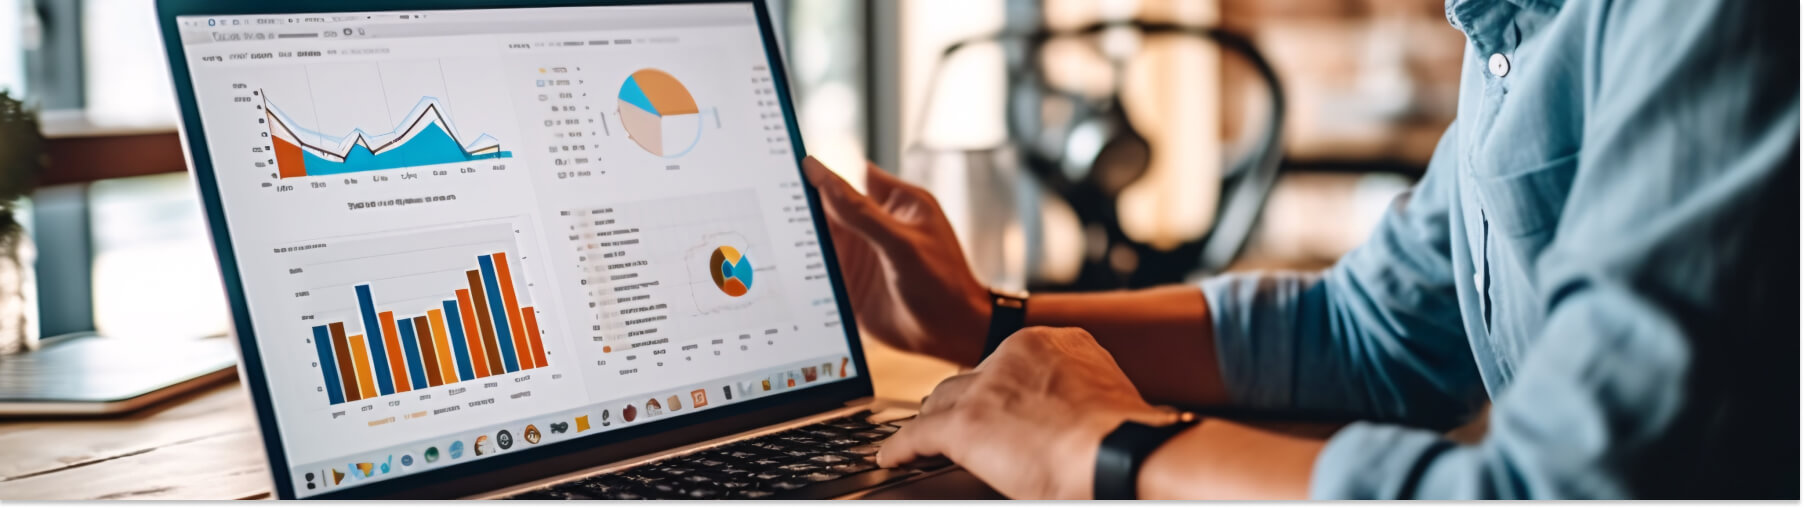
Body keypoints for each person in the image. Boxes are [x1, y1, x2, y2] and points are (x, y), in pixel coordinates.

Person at [799, 0, 1798, 500]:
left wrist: (1101, 445)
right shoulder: (1515, 32)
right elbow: (1368, 328)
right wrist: (980, 320)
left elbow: (1558, 489)